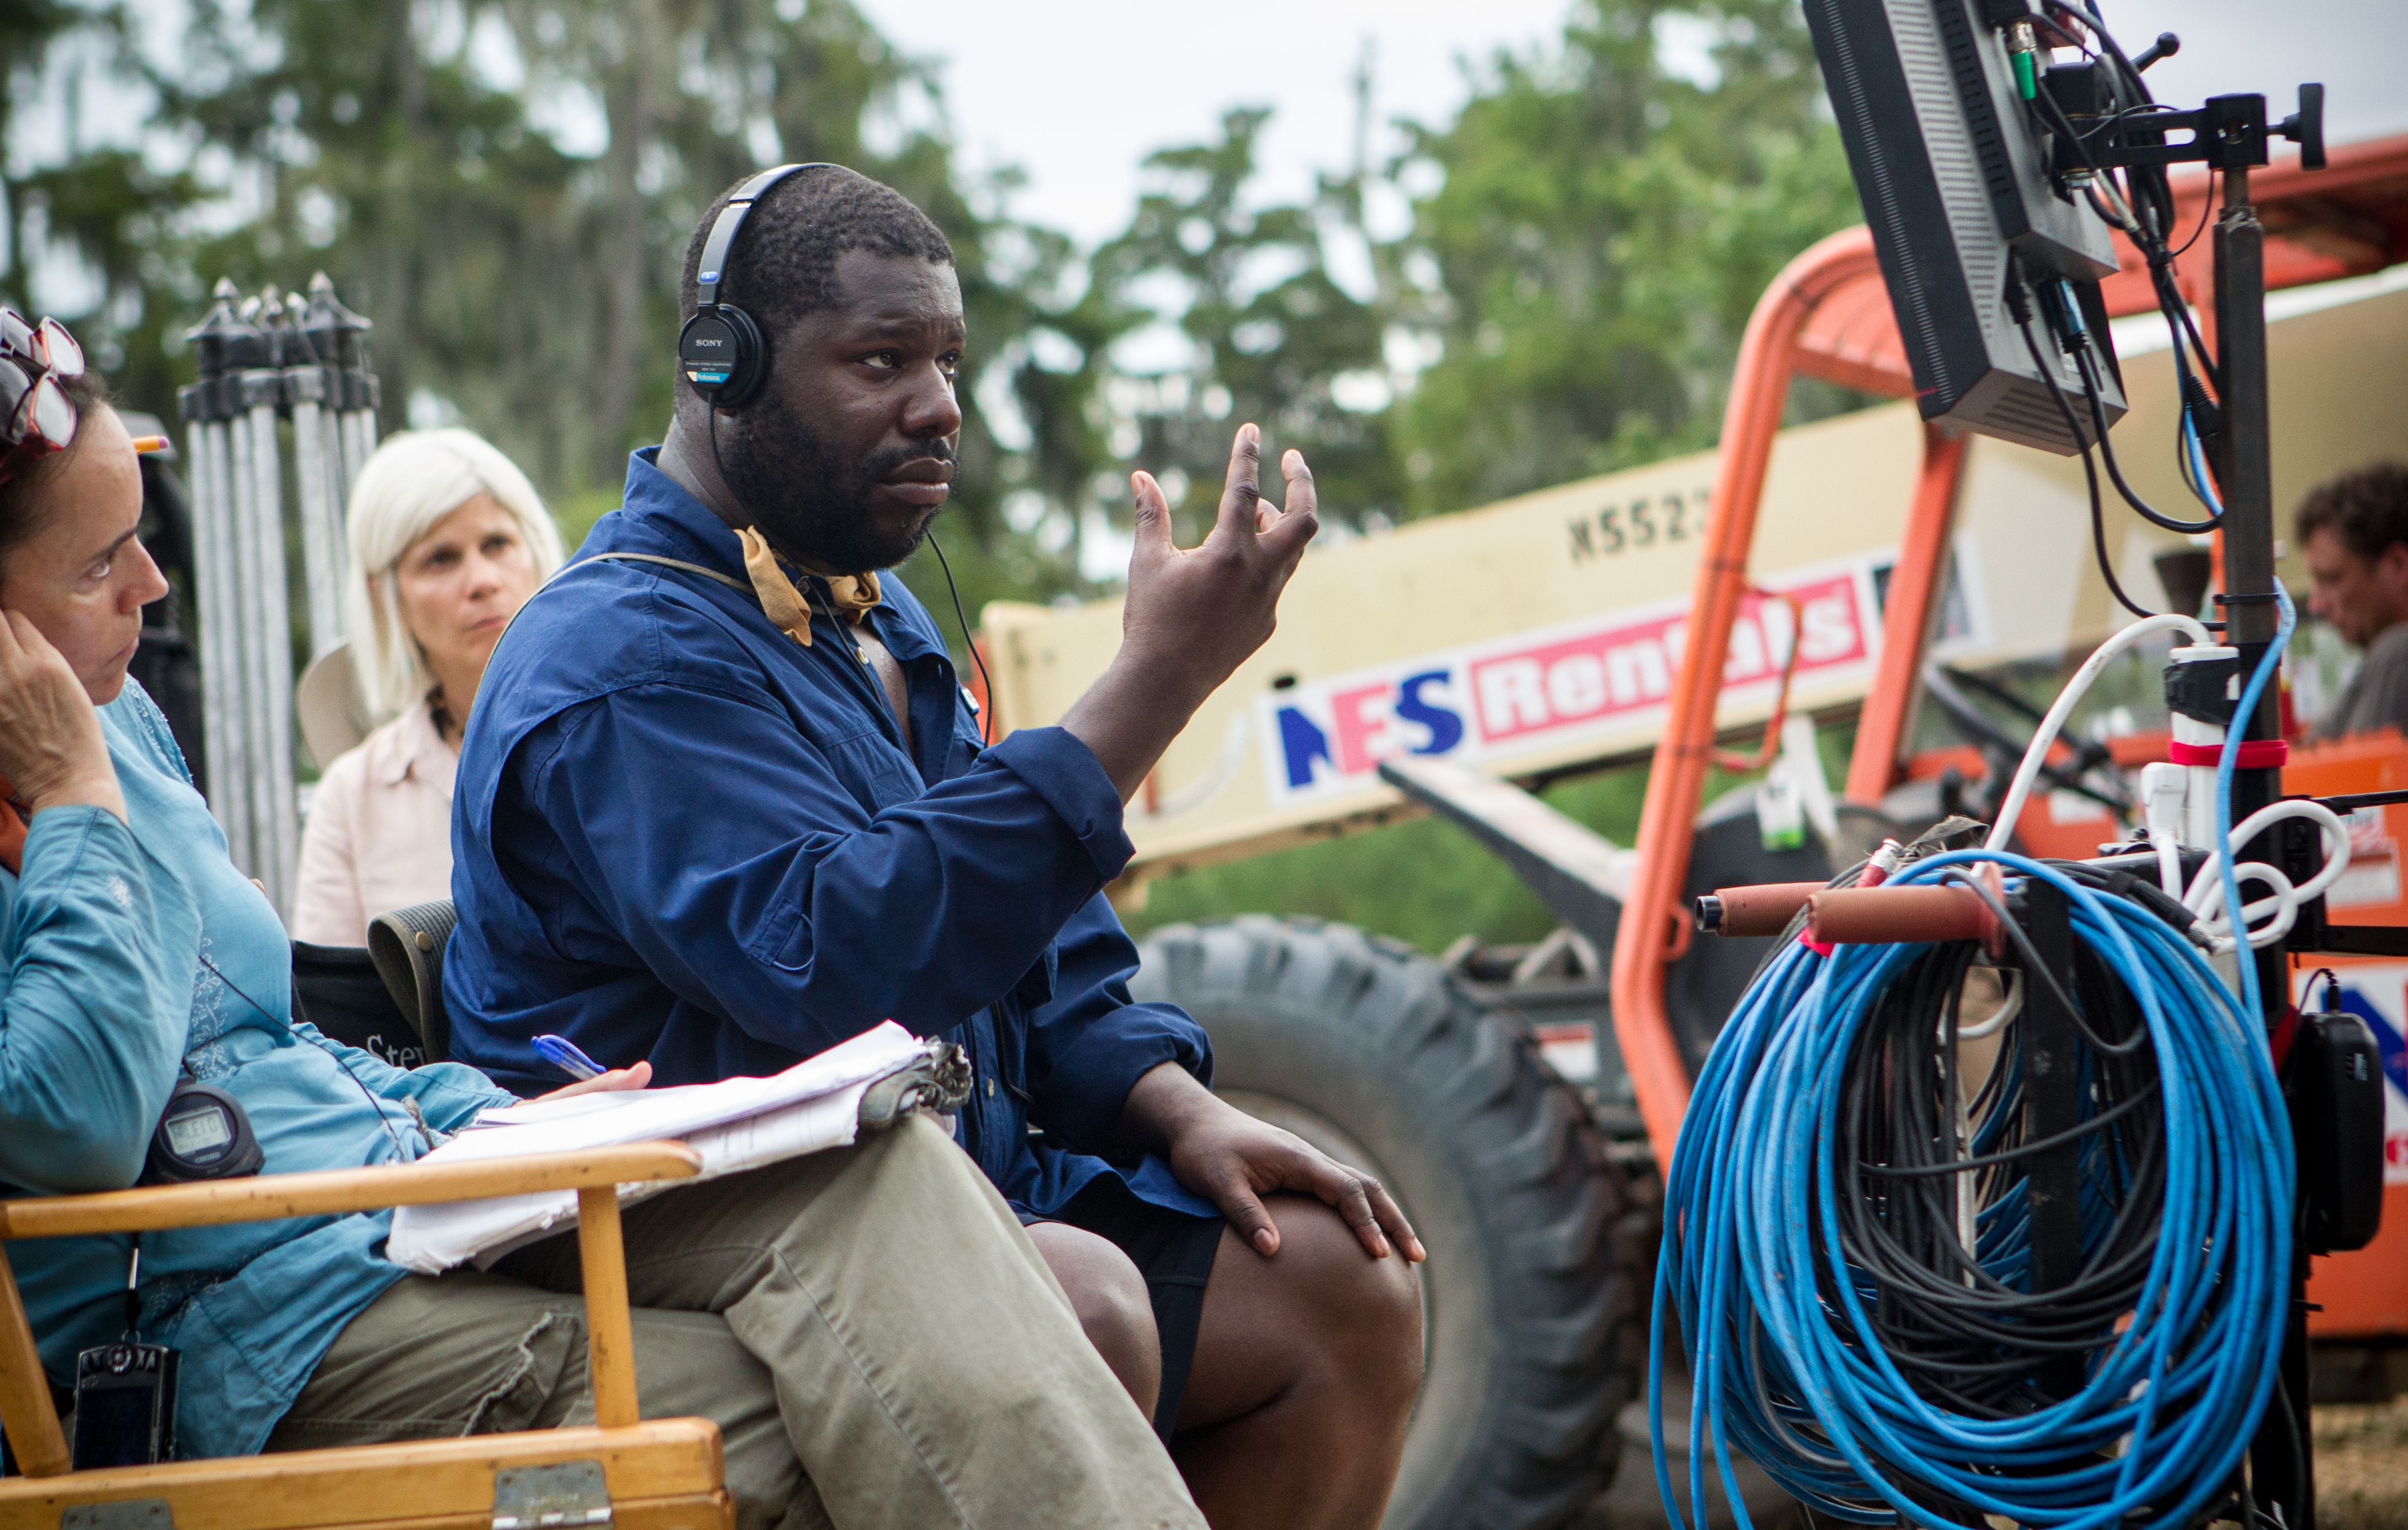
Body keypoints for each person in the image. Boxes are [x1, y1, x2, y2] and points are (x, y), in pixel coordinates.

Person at [0, 315, 1206, 1530]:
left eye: (144, 540)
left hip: (399, 1199)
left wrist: (485, 1120)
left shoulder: (123, 730)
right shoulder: (100, 765)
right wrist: (68, 802)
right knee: (822, 1406)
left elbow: (267, 1048)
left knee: (877, 1157)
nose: (152, 589)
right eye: (101, 564)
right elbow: (74, 1125)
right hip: (238, 1314)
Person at [444, 165, 1425, 1530]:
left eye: (947, 359)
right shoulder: (618, 660)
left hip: (969, 1181)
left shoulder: (878, 619)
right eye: (880, 359)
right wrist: (1152, 685)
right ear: (721, 370)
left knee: (1341, 1280)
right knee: (1077, 1302)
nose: (939, 403)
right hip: (735, 1227)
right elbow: (828, 957)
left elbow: (1041, 949)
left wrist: (1172, 1101)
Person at [292, 429, 563, 945]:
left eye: (497, 543)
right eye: (441, 558)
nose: (482, 579)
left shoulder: (619, 731)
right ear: (386, 598)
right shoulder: (352, 798)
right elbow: (335, 1011)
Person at [2300, 462, 2408, 741]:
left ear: (2397, 566)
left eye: (2331, 580)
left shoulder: (2398, 654)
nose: (2316, 605)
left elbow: (2363, 778)